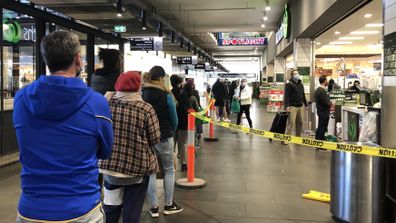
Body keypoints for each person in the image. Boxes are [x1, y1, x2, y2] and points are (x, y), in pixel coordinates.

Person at [13, 31, 114, 223]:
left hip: (31, 208)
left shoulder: (22, 99)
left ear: (46, 60)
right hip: (81, 208)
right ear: (78, 59)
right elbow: (106, 151)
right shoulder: (96, 103)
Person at [99, 71, 161, 223]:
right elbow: (154, 139)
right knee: (132, 212)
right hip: (136, 169)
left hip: (109, 167)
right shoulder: (145, 108)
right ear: (138, 87)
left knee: (111, 207)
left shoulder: (106, 104)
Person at [141, 66, 184, 218]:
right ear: (161, 78)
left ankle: (153, 207)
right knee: (168, 170)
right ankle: (169, 204)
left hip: (147, 137)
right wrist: (171, 131)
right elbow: (174, 118)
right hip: (165, 135)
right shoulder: (166, 94)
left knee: (151, 171)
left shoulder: (142, 93)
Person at [284, 69, 308, 144]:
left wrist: (306, 104)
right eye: (295, 74)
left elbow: (303, 95)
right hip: (292, 107)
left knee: (300, 122)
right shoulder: (289, 84)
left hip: (300, 106)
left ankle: (297, 139)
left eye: (297, 73)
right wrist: (287, 106)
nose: (296, 75)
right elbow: (286, 96)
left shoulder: (301, 84)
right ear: (292, 76)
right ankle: (286, 139)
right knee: (291, 123)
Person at [175, 79, 193, 171]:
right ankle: (184, 163)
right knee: (183, 144)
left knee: (172, 145)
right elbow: (190, 109)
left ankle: (172, 164)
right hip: (184, 122)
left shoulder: (170, 93)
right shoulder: (185, 95)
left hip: (173, 123)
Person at [314, 76, 332, 145]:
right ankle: (321, 144)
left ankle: (317, 142)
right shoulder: (323, 91)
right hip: (324, 112)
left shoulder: (317, 90)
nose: (327, 82)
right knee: (323, 128)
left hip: (320, 111)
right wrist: (330, 103)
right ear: (324, 81)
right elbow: (325, 102)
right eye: (326, 80)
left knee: (320, 127)